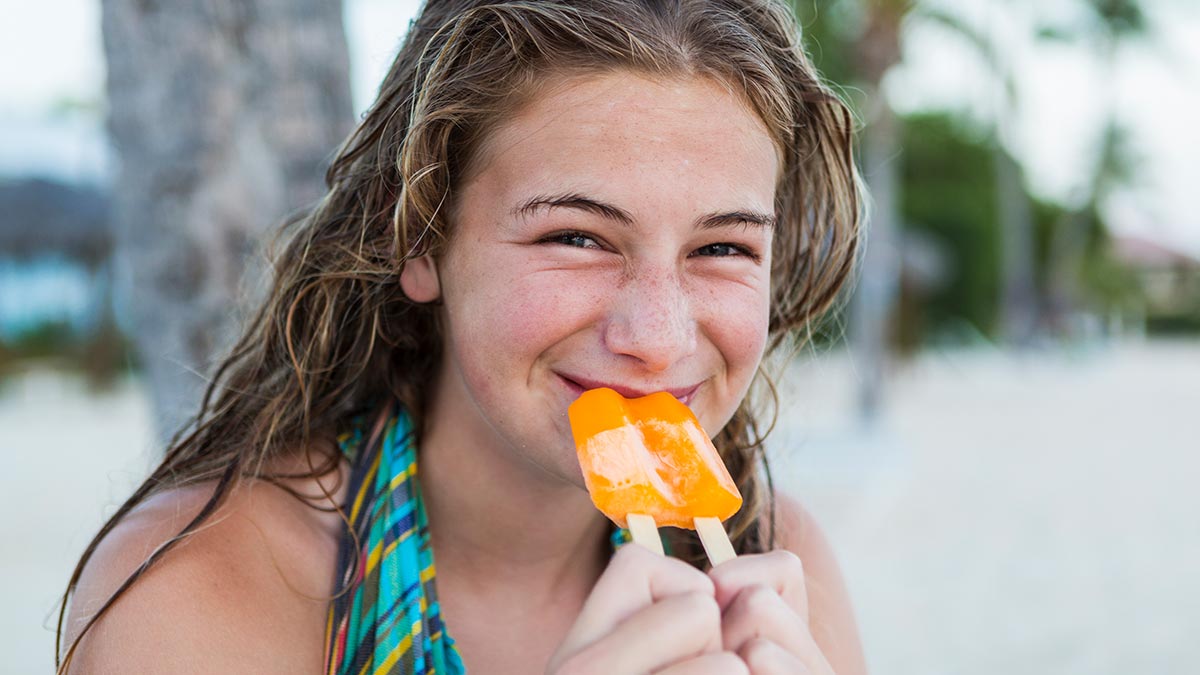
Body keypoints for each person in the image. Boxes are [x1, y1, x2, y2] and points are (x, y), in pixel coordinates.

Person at [57, 1, 866, 673]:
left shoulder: (777, 564)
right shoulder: (198, 595)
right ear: (417, 235)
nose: (655, 338)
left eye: (722, 248)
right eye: (576, 237)